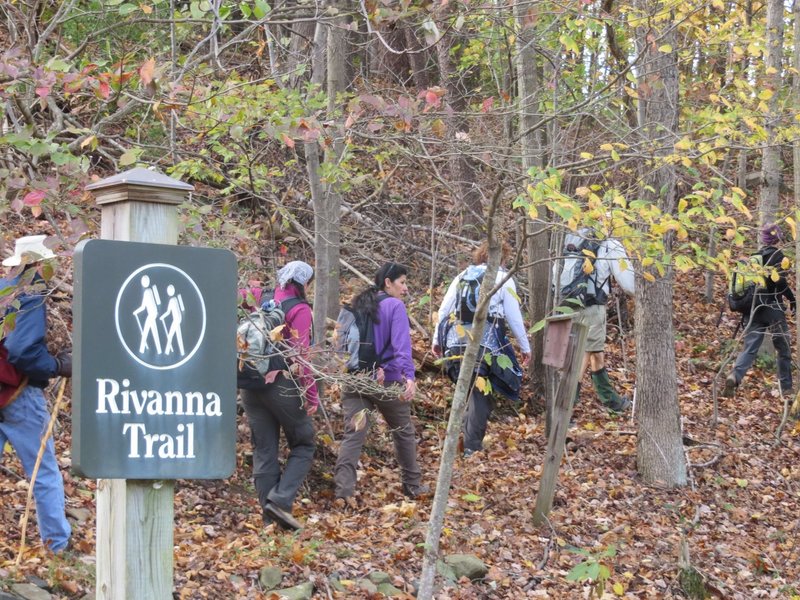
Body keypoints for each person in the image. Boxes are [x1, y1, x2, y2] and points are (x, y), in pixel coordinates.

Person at [0, 235, 72, 553]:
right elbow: (22, 350)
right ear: (41, 264)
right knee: (43, 471)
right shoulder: (29, 292)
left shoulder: (4, 289)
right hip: (17, 394)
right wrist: (56, 365)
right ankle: (57, 546)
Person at [334, 262, 427, 502]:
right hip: (386, 382)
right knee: (403, 432)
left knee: (353, 435)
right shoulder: (394, 306)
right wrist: (409, 377)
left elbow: (341, 346)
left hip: (355, 378)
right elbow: (401, 345)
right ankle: (412, 486)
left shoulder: (359, 304)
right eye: (402, 282)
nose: (405, 289)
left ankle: (343, 493)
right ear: (388, 282)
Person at [238, 261, 318, 530]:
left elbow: (234, 299)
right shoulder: (300, 309)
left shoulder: (260, 296)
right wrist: (312, 396)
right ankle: (281, 501)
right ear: (304, 284)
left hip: (249, 382)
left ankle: (269, 520)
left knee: (264, 449)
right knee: (304, 443)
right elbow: (301, 356)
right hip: (281, 385)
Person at [432, 241, 531, 456]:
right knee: (480, 396)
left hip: (455, 342)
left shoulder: (463, 276)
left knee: (467, 392)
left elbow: (443, 311)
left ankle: (460, 443)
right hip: (484, 345)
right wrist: (525, 347)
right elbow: (514, 318)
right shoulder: (503, 279)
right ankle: (471, 448)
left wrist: (437, 341)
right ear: (502, 259)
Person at [557, 229, 635, 412]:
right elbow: (629, 285)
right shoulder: (610, 245)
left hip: (569, 303)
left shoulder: (574, 238)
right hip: (592, 307)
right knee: (582, 356)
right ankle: (565, 405)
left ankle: (610, 400)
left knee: (596, 353)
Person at [723, 223, 795, 397]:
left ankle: (735, 375)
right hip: (772, 308)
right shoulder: (777, 255)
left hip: (753, 309)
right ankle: (786, 389)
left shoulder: (755, 257)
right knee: (783, 348)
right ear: (777, 238)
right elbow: (779, 282)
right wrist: (792, 299)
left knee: (750, 348)